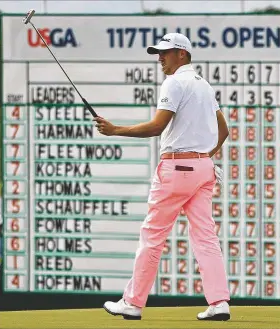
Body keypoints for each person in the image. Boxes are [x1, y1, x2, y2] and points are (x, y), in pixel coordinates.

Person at [96, 33, 231, 321]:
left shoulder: (174, 82)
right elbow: (224, 130)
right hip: (203, 169)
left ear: (182, 54)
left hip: (177, 169)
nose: (160, 58)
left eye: (165, 53)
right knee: (206, 238)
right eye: (158, 53)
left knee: (152, 236)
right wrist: (206, 155)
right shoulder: (204, 86)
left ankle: (132, 303)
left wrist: (115, 130)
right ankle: (219, 303)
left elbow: (158, 126)